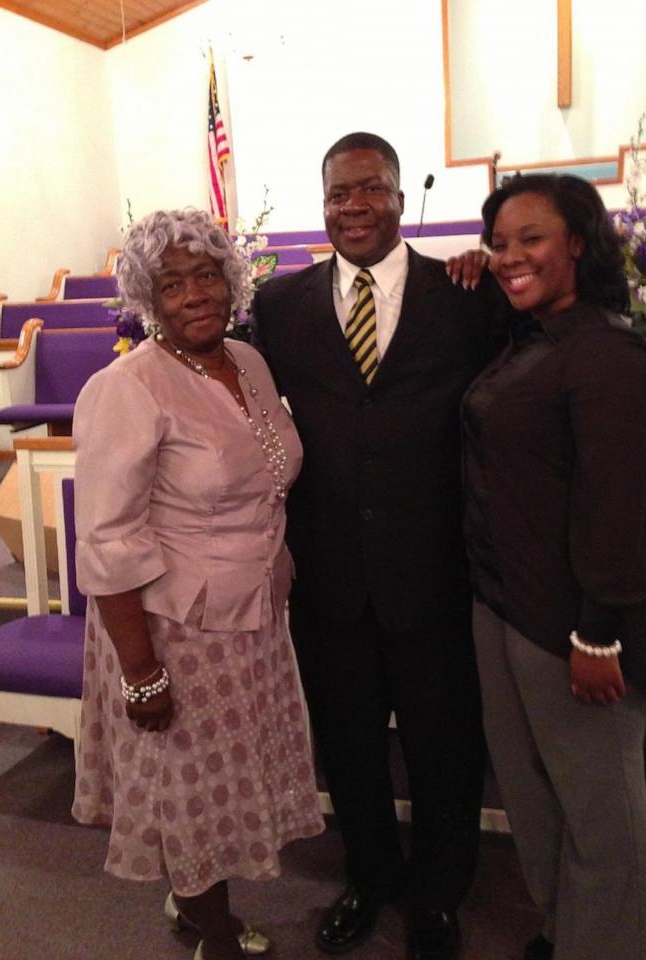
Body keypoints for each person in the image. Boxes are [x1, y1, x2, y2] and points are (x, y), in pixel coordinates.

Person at [252, 132, 512, 960]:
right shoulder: (280, 306)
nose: (352, 207)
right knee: (352, 744)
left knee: (445, 744)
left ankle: (438, 895)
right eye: (336, 194)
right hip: (329, 576)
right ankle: (370, 877)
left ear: (400, 197)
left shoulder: (466, 294)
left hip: (435, 569)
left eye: (369, 190)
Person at [71, 209, 324, 960]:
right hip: (174, 627)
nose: (195, 295)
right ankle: (212, 931)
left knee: (228, 780)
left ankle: (197, 907)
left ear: (231, 279)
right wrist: (140, 672)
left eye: (207, 275)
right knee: (193, 792)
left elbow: (267, 477)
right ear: (149, 299)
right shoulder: (127, 387)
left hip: (254, 612)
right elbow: (108, 539)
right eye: (172, 284)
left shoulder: (249, 361)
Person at [461, 173, 646, 960]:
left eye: (532, 239)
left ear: (578, 242)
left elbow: (617, 505)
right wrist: (473, 275)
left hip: (578, 624)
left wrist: (600, 633)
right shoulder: (531, 337)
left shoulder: (607, 350)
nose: (511, 256)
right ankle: (567, 935)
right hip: (506, 604)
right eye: (501, 242)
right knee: (536, 803)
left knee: (601, 815)